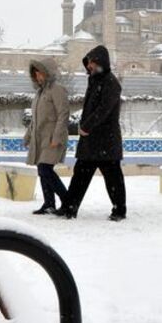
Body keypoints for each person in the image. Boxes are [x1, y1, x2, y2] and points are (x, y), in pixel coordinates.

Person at [58, 45, 127, 221]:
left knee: (113, 179)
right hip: (91, 141)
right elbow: (91, 109)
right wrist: (85, 126)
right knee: (80, 176)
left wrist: (86, 126)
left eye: (91, 62)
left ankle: (119, 211)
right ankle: (69, 208)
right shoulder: (94, 80)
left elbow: (103, 110)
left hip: (106, 141)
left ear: (100, 62)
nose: (89, 66)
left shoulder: (111, 83)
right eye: (88, 63)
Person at [23, 58, 70, 214]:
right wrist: (28, 136)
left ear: (47, 72)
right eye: (35, 74)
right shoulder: (39, 93)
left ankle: (68, 201)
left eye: (40, 73)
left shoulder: (57, 89)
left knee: (45, 169)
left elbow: (63, 114)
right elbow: (35, 119)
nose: (38, 76)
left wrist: (57, 137)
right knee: (42, 169)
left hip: (52, 138)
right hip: (40, 138)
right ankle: (49, 204)